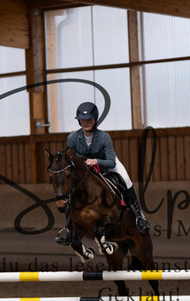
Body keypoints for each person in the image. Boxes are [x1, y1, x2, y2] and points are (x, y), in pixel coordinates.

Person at [55, 101, 150, 245]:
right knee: (73, 189)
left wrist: (96, 161)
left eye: (89, 119)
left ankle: (139, 216)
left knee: (126, 179)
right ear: (79, 121)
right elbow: (72, 161)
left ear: (95, 120)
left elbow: (111, 162)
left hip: (107, 164)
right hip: (86, 169)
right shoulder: (72, 138)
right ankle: (68, 228)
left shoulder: (104, 137)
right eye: (83, 120)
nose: (86, 122)